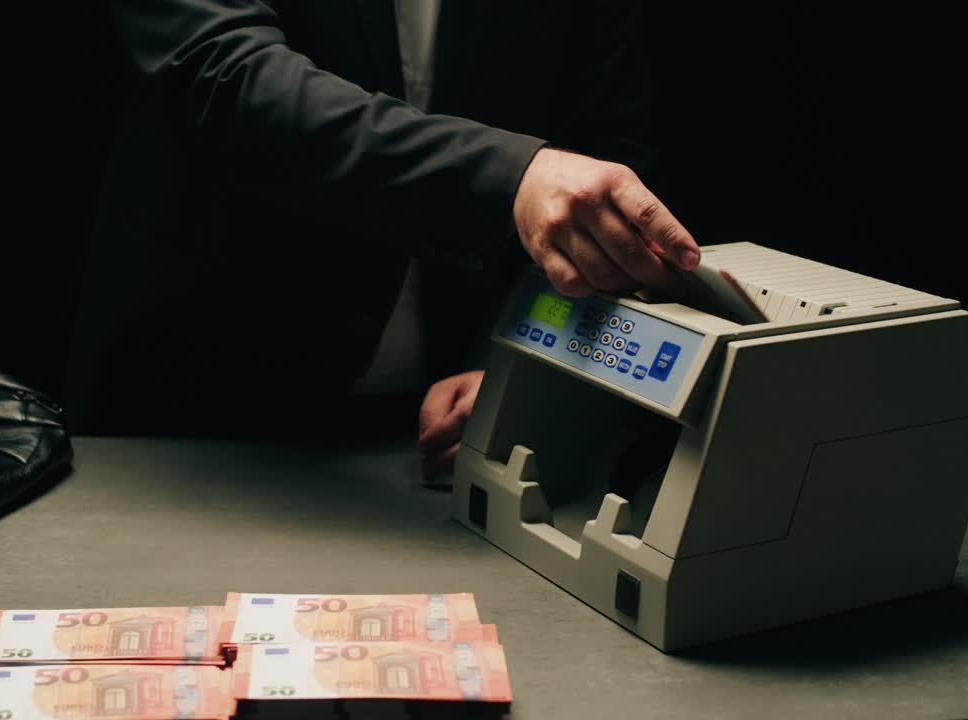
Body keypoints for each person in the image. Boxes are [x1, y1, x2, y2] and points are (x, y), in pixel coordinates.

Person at [64, 0, 699, 475]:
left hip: (442, 448)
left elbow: (603, 161)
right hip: (191, 429)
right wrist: (510, 177)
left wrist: (521, 360)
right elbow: (226, 78)